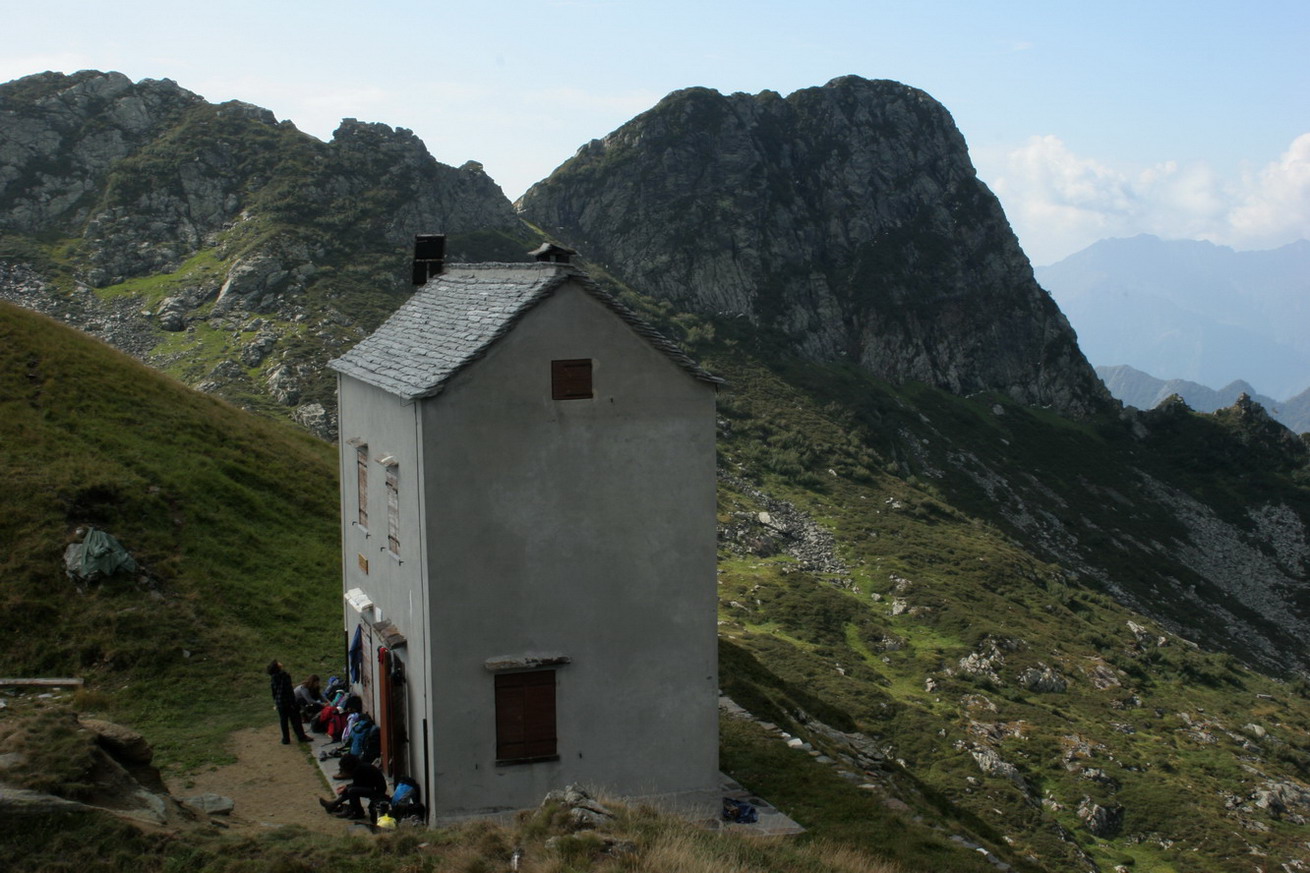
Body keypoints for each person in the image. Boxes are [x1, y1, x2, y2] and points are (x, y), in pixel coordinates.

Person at [318, 753, 388, 821]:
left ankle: (357, 812)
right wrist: (346, 786)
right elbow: (360, 783)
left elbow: (362, 785)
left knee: (352, 791)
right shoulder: (360, 767)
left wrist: (347, 787)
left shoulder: (360, 770)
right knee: (350, 790)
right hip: (372, 788)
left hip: (377, 792)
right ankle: (333, 805)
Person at [267, 660, 310, 744]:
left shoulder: (273, 677)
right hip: (288, 701)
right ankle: (301, 737)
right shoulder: (285, 675)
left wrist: (275, 700)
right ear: (277, 667)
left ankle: (286, 739)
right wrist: (293, 702)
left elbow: (273, 691)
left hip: (280, 702)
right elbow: (288, 690)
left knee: (283, 720)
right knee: (295, 719)